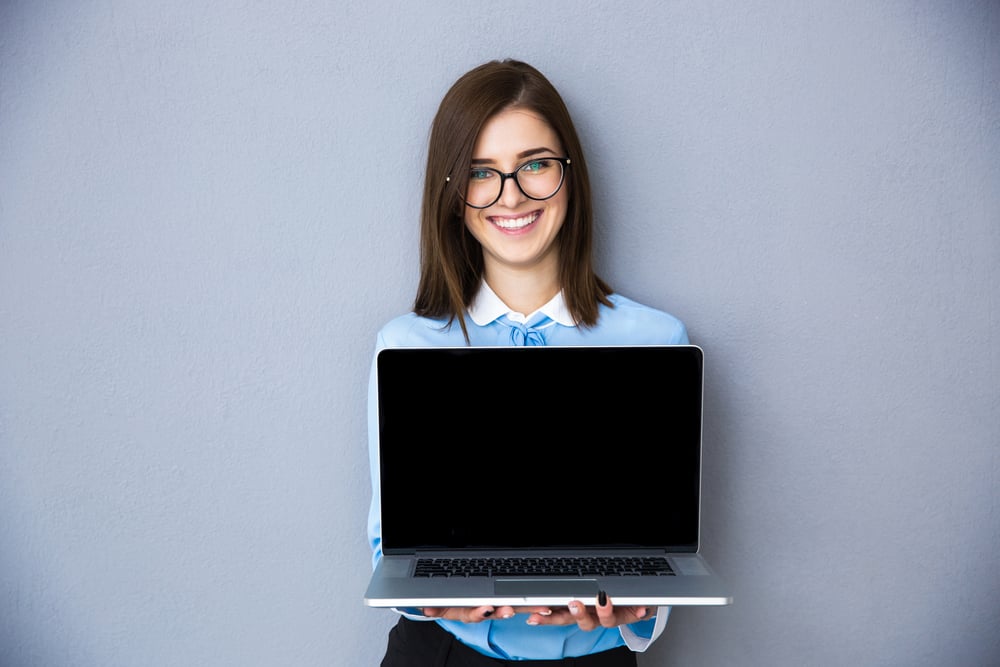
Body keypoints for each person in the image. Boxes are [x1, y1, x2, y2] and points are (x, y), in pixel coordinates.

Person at [367, 59, 689, 666]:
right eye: (481, 173)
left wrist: (640, 607)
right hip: (438, 656)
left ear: (571, 175)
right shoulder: (407, 346)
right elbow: (390, 549)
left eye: (535, 164)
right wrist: (433, 599)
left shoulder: (655, 338)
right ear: (452, 192)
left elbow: (668, 547)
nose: (510, 196)